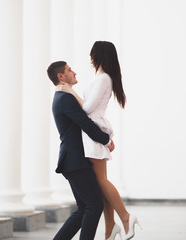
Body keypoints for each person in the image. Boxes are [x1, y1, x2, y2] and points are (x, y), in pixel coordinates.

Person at [56, 41, 141, 240]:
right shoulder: (103, 78)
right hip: (92, 134)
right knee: (100, 183)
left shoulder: (103, 79)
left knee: (101, 181)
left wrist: (71, 92)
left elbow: (86, 110)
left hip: (93, 134)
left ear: (99, 55)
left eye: (92, 54)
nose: (90, 58)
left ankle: (126, 218)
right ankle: (110, 226)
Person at [47, 61, 115, 240]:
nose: (74, 72)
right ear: (61, 76)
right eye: (70, 70)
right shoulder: (65, 98)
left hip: (73, 160)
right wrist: (107, 140)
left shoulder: (63, 97)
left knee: (85, 208)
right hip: (74, 160)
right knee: (94, 205)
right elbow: (85, 123)